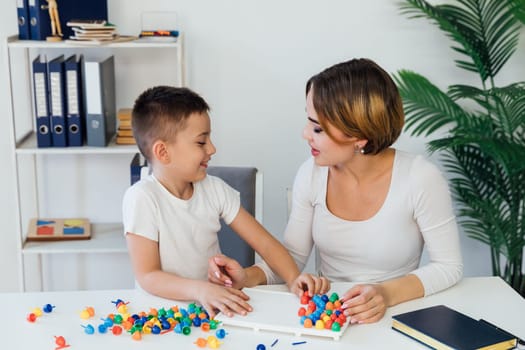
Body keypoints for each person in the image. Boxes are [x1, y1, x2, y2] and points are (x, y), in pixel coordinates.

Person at [209, 58, 463, 324]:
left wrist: (386, 294)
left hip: (395, 317)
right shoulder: (311, 174)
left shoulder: (420, 178)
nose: (305, 133)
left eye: (318, 128)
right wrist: (246, 277)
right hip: (331, 319)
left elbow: (449, 267)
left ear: (359, 137)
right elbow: (292, 259)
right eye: (309, 122)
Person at [122, 86, 325, 318]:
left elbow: (266, 244)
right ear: (163, 152)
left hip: (211, 312)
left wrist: (293, 278)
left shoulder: (214, 189)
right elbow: (148, 275)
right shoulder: (142, 197)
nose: (212, 149)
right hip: (158, 316)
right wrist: (200, 290)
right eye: (201, 142)